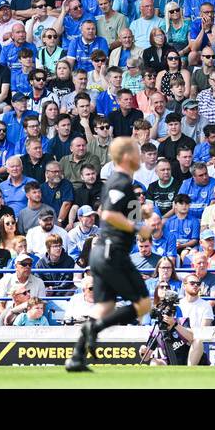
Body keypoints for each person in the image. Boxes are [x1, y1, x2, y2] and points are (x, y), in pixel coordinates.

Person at [66, 137, 154, 372]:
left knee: (105, 306)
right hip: (111, 252)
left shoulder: (126, 184)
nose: (140, 156)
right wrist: (138, 227)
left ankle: (77, 357)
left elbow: (129, 218)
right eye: (136, 152)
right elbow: (109, 215)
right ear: (127, 156)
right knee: (144, 304)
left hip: (104, 252)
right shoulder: (119, 181)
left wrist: (143, 214)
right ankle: (93, 329)